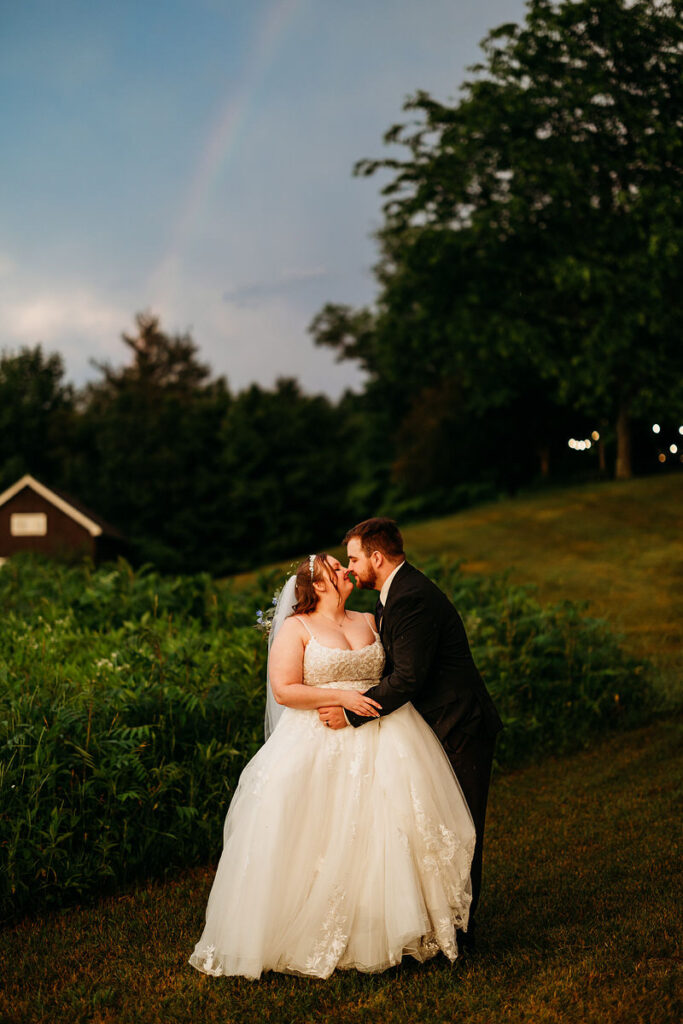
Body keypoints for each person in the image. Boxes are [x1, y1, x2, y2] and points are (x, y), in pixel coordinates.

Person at [189, 552, 476, 980]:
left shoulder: (369, 619)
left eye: (345, 563)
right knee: (320, 832)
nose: (345, 569)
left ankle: (391, 924)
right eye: (334, 567)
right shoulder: (296, 627)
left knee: (393, 827)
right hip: (319, 734)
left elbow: (400, 671)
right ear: (318, 584)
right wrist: (340, 698)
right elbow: (285, 690)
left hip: (388, 732)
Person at [319, 518, 503, 955]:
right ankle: (439, 924)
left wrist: (352, 711)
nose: (350, 568)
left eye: (354, 559)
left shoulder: (412, 598)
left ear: (377, 558)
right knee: (438, 826)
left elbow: (407, 679)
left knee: (463, 831)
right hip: (435, 726)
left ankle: (462, 934)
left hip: (460, 725)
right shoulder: (393, 596)